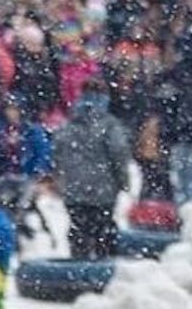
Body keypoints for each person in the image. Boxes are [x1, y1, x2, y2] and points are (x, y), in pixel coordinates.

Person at [52, 80, 133, 261]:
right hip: (103, 189)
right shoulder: (110, 125)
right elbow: (118, 153)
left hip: (74, 190)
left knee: (78, 229)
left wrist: (64, 180)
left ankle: (78, 267)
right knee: (103, 230)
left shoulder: (70, 123)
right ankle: (103, 269)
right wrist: (123, 181)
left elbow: (57, 153)